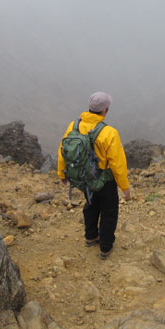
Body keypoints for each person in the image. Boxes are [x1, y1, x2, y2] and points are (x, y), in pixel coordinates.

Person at [57, 92, 130, 259]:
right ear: (105, 110)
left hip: (84, 179)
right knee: (109, 212)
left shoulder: (74, 126)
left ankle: (90, 236)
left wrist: (62, 173)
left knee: (91, 204)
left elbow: (63, 150)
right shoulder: (109, 132)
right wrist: (125, 187)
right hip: (105, 181)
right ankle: (105, 247)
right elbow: (118, 164)